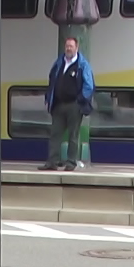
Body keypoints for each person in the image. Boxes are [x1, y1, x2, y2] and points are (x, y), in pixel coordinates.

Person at [44, 36, 95, 171]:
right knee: (55, 133)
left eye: (71, 46)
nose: (68, 48)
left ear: (76, 48)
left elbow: (89, 85)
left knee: (73, 135)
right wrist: (50, 98)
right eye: (67, 46)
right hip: (59, 104)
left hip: (74, 105)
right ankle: (52, 162)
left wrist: (80, 100)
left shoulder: (82, 64)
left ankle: (71, 163)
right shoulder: (59, 62)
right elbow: (52, 79)